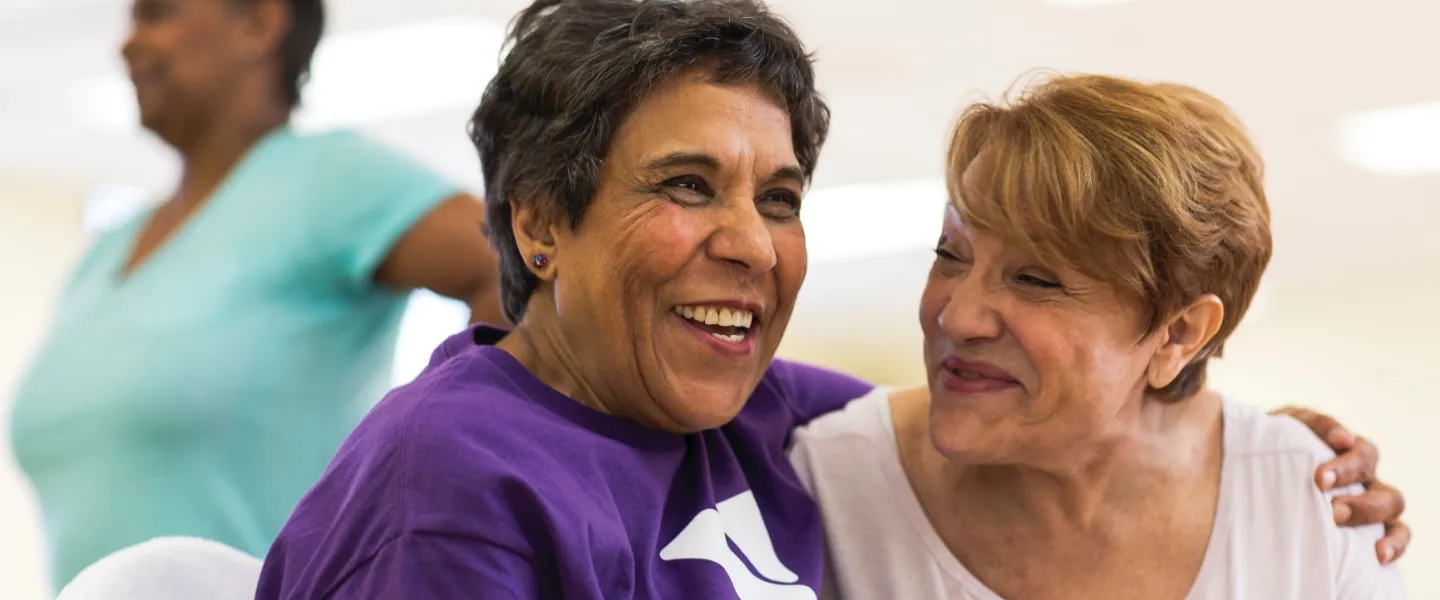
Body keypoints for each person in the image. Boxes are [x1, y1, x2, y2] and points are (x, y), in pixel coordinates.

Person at [256, 2, 1408, 599]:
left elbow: (1033, 407)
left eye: (781, 195)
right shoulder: (454, 477)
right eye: (686, 186)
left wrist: (1255, 450)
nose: (750, 244)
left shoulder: (756, 418)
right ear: (540, 223)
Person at [789, 74, 1408, 598]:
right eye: (950, 255)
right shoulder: (831, 480)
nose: (958, 316)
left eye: (1034, 279)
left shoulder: (1310, 504)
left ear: (1178, 335)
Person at [8, 0, 503, 589]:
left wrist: (452, 488)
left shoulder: (328, 180)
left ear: (259, 24)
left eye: (157, 15)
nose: (127, 43)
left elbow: (513, 270)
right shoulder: (105, 251)